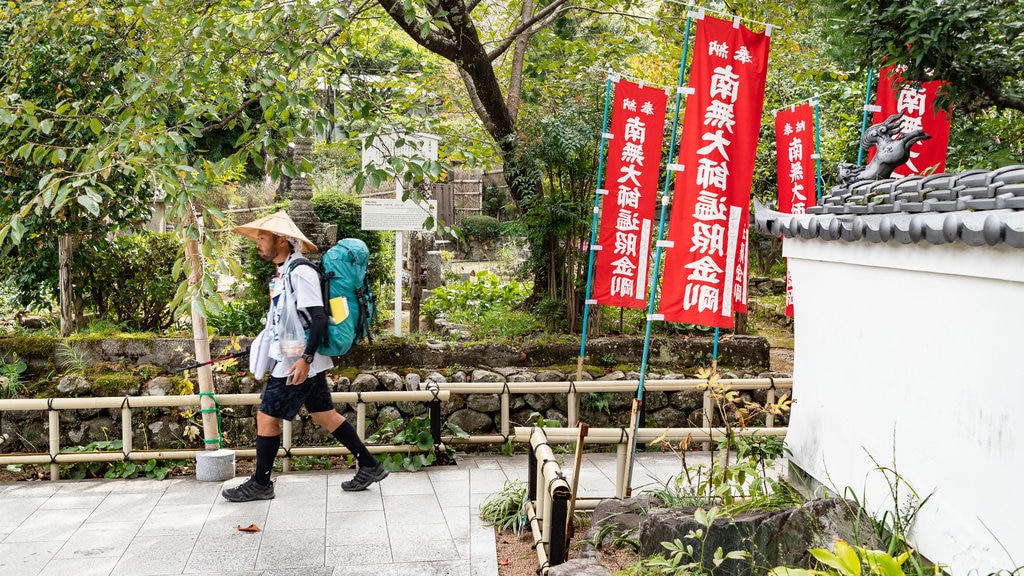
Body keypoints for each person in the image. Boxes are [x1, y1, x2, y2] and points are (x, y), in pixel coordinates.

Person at [222, 211, 388, 502]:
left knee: (266, 416)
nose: (258, 243)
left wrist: (305, 359)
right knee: (324, 415)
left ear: (282, 240)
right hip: (300, 360)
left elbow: (319, 318)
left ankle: (261, 483)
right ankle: (369, 465)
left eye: (263, 238)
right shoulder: (285, 271)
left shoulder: (301, 272)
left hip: (298, 364)